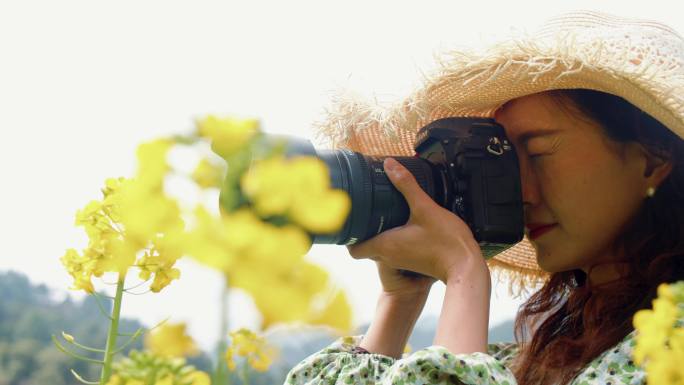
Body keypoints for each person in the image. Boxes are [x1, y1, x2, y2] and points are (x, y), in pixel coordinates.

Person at [285, 10, 684, 385]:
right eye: (505, 161)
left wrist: (463, 272)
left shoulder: (671, 344)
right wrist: (401, 298)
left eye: (540, 153)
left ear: (652, 159)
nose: (519, 191)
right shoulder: (555, 349)